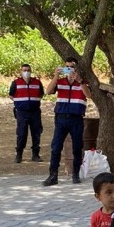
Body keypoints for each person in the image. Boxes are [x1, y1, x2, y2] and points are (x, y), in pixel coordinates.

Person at [43, 57, 91, 186]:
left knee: (77, 147)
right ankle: (53, 176)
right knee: (56, 147)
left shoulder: (82, 82)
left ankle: (76, 174)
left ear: (76, 68)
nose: (69, 69)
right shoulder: (60, 82)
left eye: (72, 66)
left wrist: (80, 81)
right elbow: (48, 91)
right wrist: (55, 76)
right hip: (61, 118)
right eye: (67, 66)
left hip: (76, 118)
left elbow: (88, 95)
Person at [9, 63, 44, 163]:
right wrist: (20, 103)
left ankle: (35, 154)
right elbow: (11, 95)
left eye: (28, 70)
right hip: (22, 112)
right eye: (24, 70)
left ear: (31, 71)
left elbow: (41, 94)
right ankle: (19, 154)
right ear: (21, 71)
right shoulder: (16, 83)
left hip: (35, 112)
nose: (26, 72)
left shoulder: (37, 82)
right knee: (21, 133)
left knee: (36, 133)